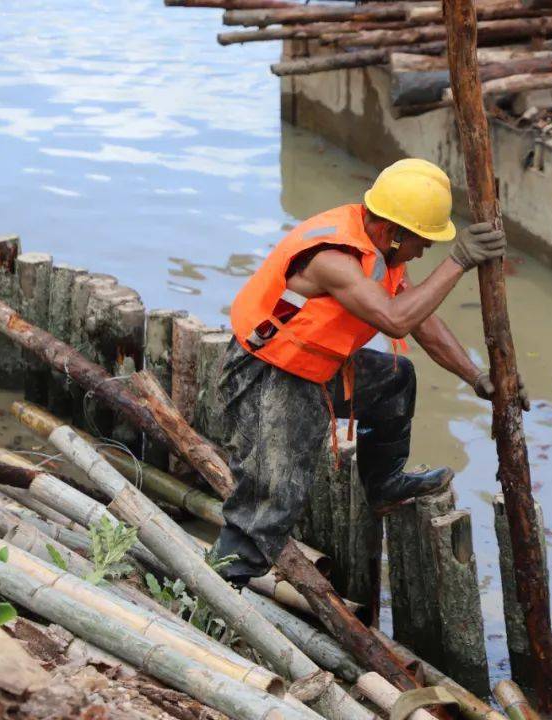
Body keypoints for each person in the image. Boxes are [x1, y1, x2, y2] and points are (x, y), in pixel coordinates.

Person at [213, 158, 527, 585]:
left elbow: (421, 321)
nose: (424, 251)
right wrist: (458, 261)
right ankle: (217, 593)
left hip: (316, 363)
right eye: (423, 242)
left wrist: (476, 377)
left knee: (395, 381)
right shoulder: (333, 258)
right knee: (272, 499)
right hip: (268, 374)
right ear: (395, 232)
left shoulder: (380, 247)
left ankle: (385, 483)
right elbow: (395, 320)